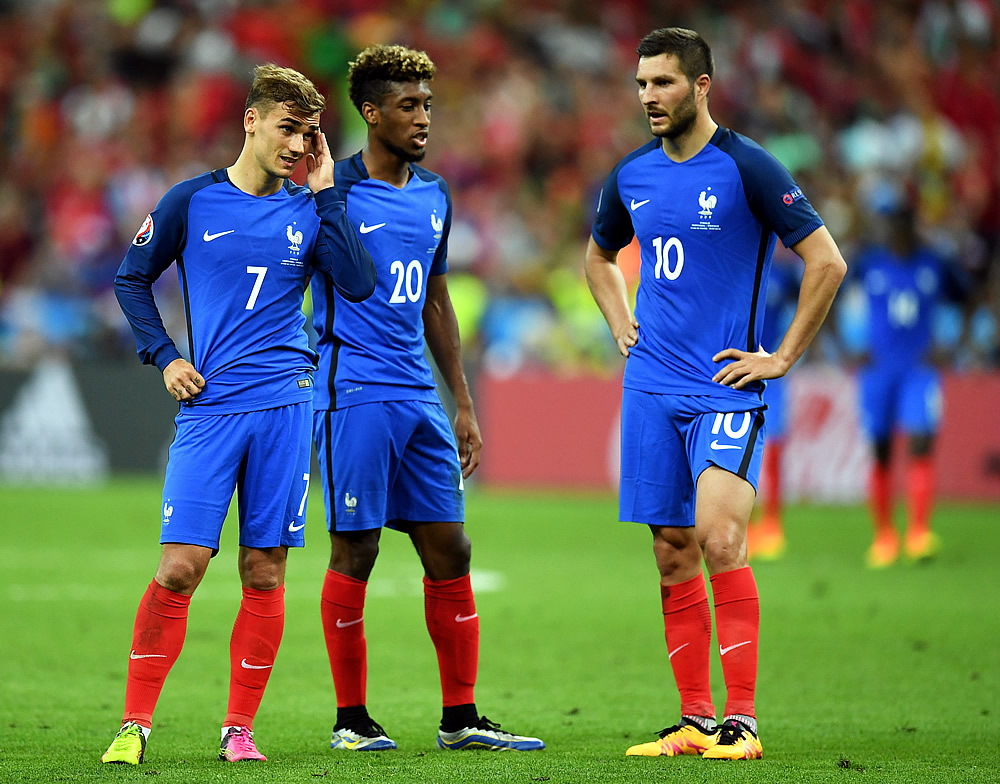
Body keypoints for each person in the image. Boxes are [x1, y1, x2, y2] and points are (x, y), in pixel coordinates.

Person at [102, 64, 376, 766]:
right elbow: (131, 277)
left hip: (286, 409)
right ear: (251, 121)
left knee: (264, 570)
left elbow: (359, 283)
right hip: (211, 407)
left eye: (310, 133)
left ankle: (238, 730)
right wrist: (163, 355)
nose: (298, 144)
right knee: (181, 566)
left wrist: (325, 198)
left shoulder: (310, 209)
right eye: (288, 128)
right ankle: (133, 726)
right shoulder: (191, 201)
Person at [584, 28, 846, 760]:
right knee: (671, 551)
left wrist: (783, 356)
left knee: (721, 537)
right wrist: (619, 320)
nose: (648, 97)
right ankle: (695, 721)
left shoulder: (749, 166)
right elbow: (597, 256)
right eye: (641, 85)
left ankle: (744, 722)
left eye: (662, 83)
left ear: (702, 86)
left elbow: (826, 261)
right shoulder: (630, 174)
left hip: (724, 385)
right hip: (651, 388)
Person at [310, 44, 544, 753]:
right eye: (408, 106)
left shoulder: (435, 194)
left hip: (419, 396)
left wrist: (462, 403)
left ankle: (460, 718)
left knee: (452, 548)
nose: (423, 118)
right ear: (370, 112)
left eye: (428, 106)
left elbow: (436, 300)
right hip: (354, 392)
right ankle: (351, 720)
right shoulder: (331, 194)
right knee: (357, 550)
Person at [852, 204, 965, 567]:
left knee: (920, 442)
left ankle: (918, 533)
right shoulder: (870, 263)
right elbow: (830, 285)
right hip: (879, 371)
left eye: (904, 225)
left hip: (919, 370)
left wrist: (955, 345)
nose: (898, 233)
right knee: (881, 450)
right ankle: (884, 536)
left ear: (912, 228)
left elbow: (969, 296)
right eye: (893, 226)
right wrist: (847, 346)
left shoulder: (934, 263)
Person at [746, 252, 801, 561]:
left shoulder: (784, 272)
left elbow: (812, 295)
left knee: (774, 449)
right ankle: (746, 526)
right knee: (736, 449)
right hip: (736, 365)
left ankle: (772, 525)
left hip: (772, 369)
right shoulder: (734, 259)